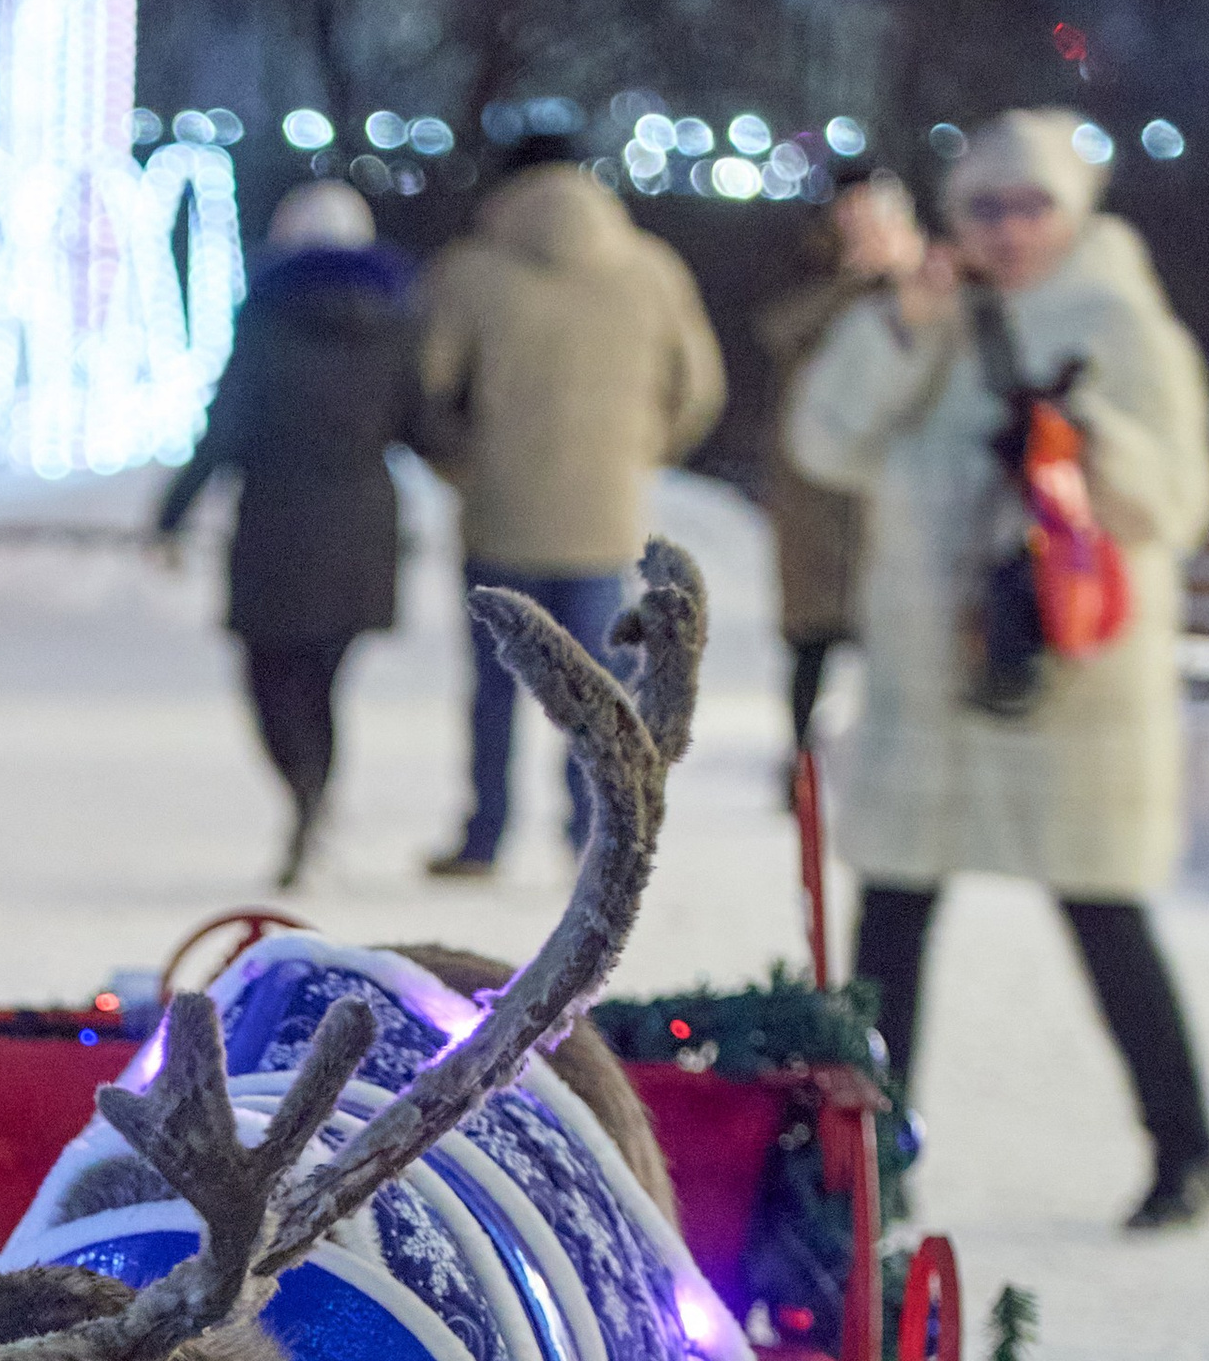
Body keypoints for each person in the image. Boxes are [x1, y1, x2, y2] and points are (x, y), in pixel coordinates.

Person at [790, 108, 1209, 1232]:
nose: (1009, 229)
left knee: (1102, 911)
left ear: (1071, 212)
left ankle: (1184, 1147)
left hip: (1072, 684)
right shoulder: (927, 312)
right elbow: (823, 441)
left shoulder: (1123, 321)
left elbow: (1176, 504)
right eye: (985, 206)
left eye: (1031, 206)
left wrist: (1077, 436)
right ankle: (871, 1156)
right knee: (892, 913)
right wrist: (900, 324)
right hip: (936, 676)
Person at [414, 131, 724, 876]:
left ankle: (485, 835)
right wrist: (641, 453)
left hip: (499, 514)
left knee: (494, 686)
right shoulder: (650, 267)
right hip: (605, 517)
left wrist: (462, 464)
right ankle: (594, 833)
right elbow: (702, 388)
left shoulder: (472, 270)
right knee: (597, 690)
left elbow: (427, 386)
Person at [153, 180, 420, 887]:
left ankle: (302, 790)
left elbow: (228, 426)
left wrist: (172, 512)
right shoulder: (394, 325)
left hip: (275, 522)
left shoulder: (265, 322)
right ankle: (314, 793)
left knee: (269, 675)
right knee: (325, 679)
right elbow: (422, 424)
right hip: (362, 523)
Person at [754, 163, 922, 765]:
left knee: (893, 636)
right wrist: (855, 288)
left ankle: (887, 760)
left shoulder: (920, 289)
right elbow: (779, 334)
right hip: (813, 494)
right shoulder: (811, 279)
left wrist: (901, 281)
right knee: (812, 639)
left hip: (890, 494)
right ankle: (799, 760)